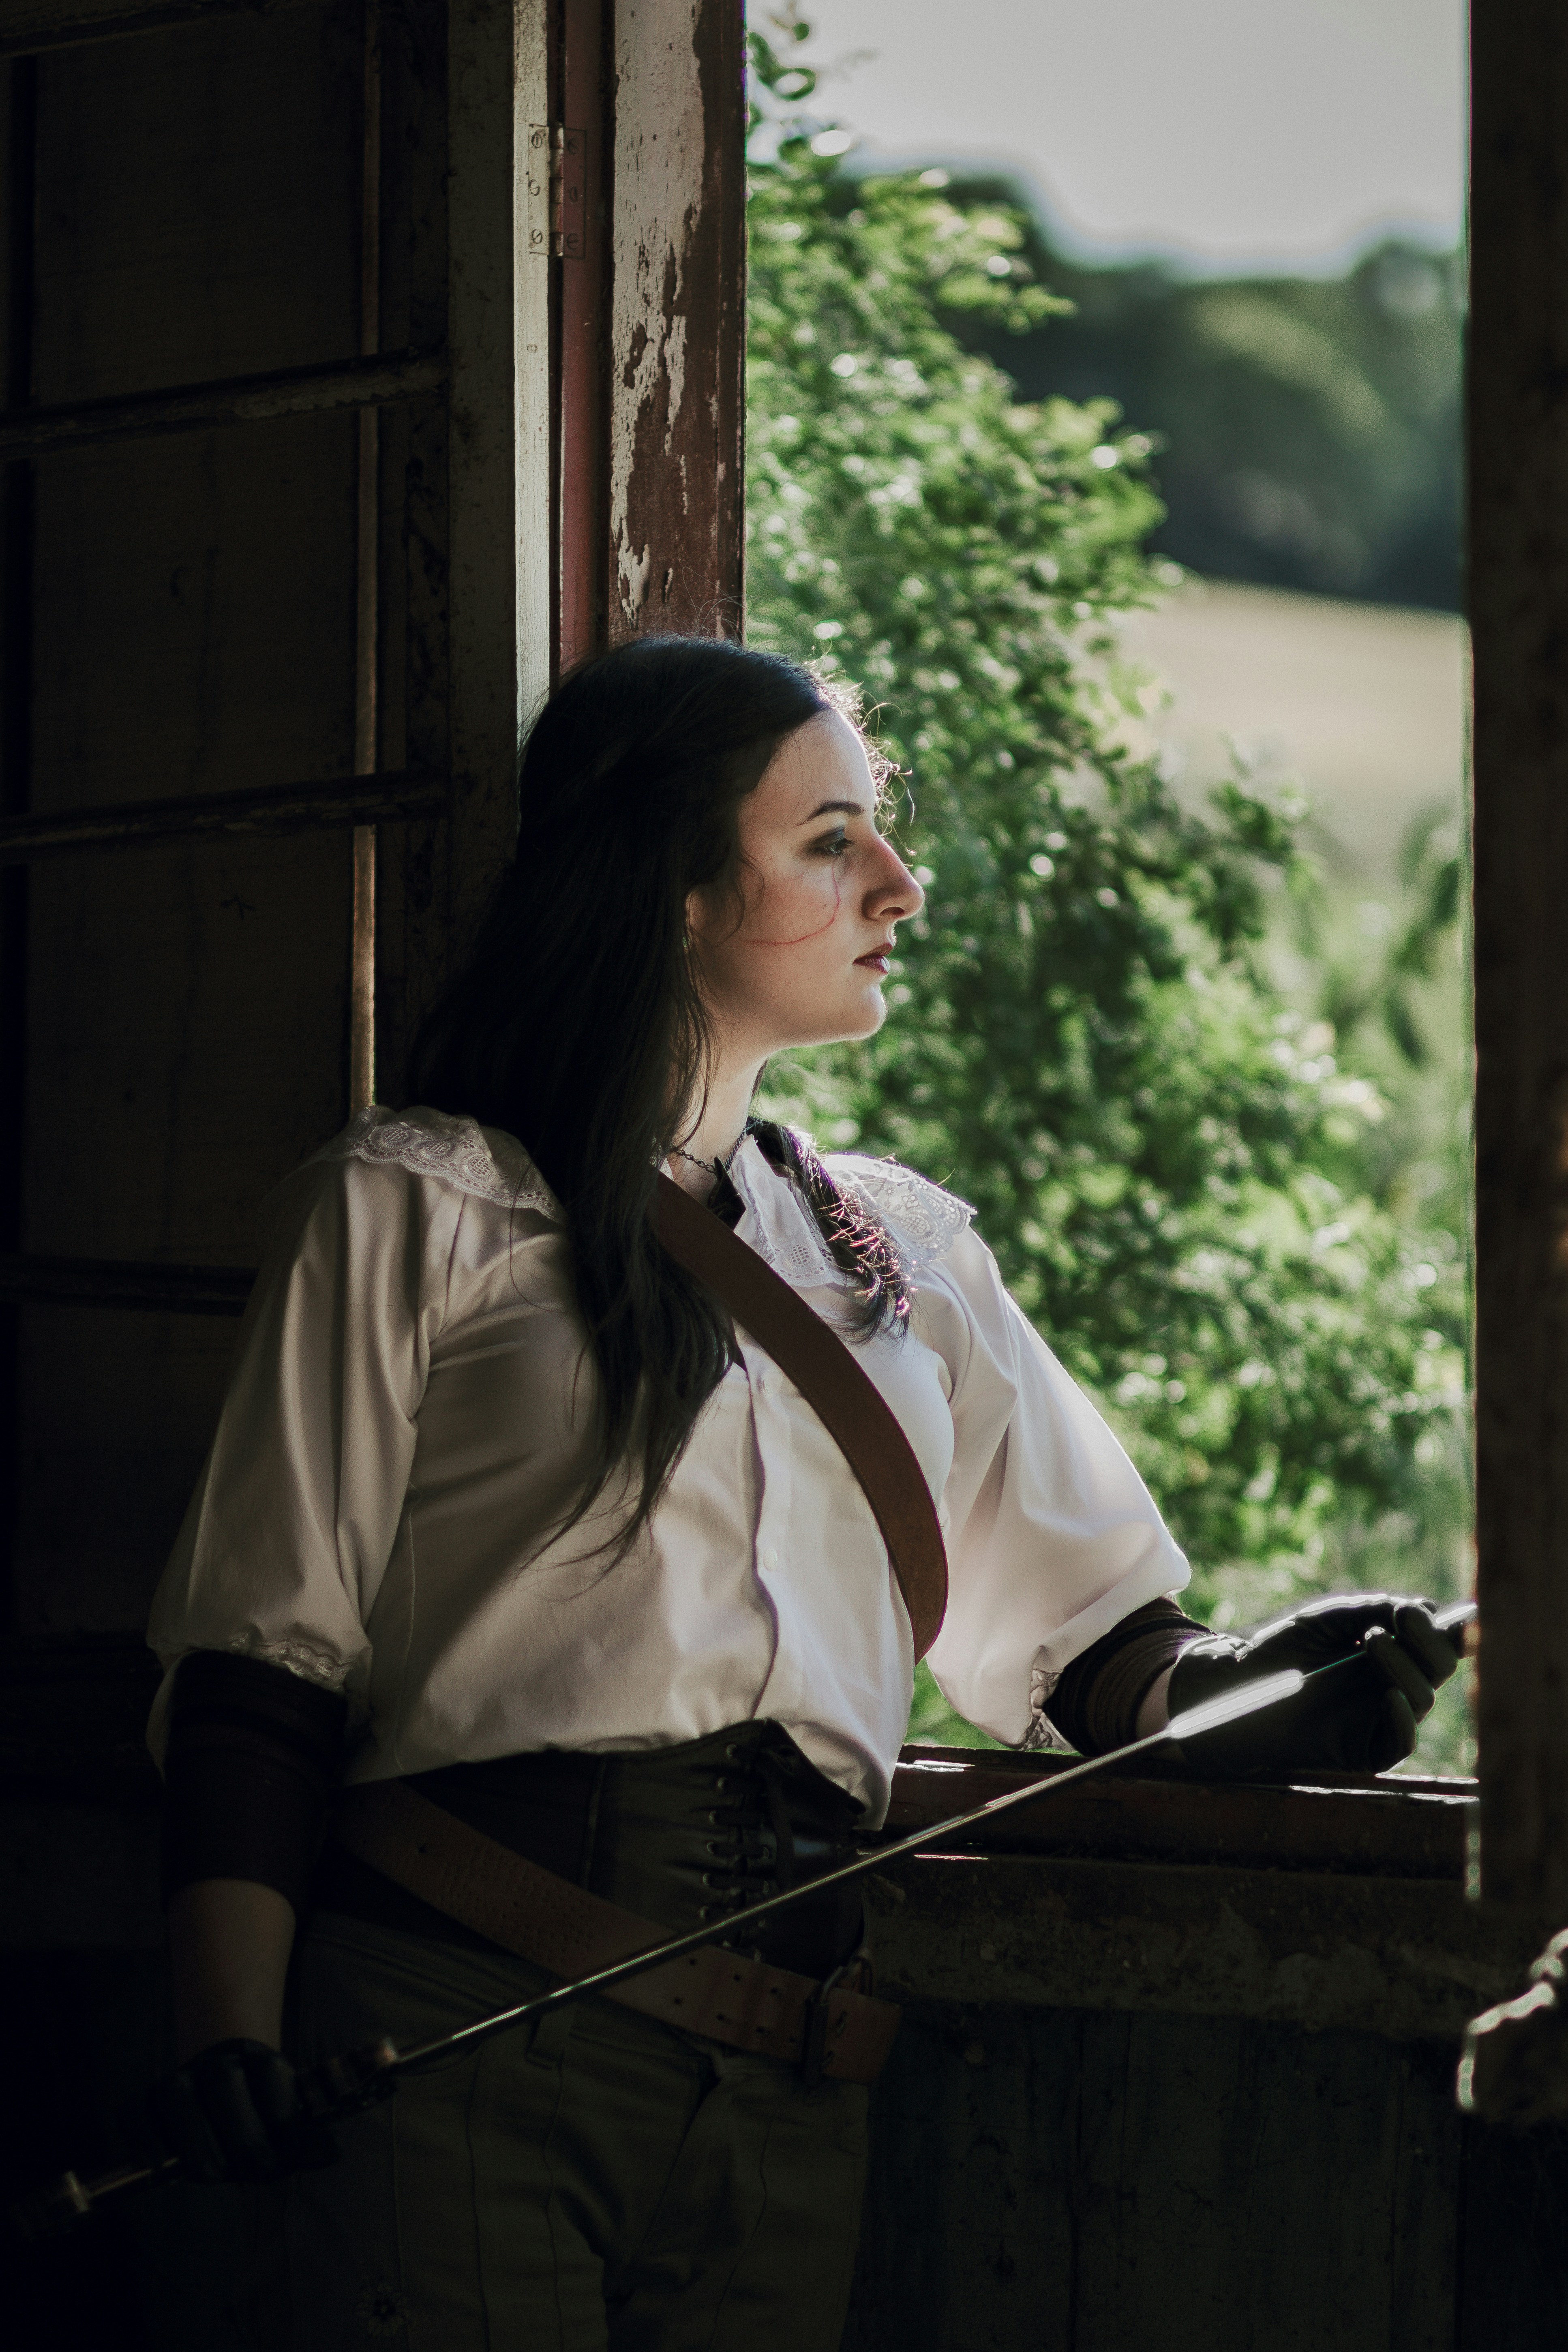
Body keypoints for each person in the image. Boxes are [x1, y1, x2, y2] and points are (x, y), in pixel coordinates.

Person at [145, 635, 1461, 2352]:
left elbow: (1098, 1649)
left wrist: (1282, 1687)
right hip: (448, 2031)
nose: (899, 884)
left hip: (791, 2078)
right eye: (832, 838)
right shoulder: (418, 1209)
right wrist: (232, 2042)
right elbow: (259, 1680)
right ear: (675, 887)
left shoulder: (903, 1256)